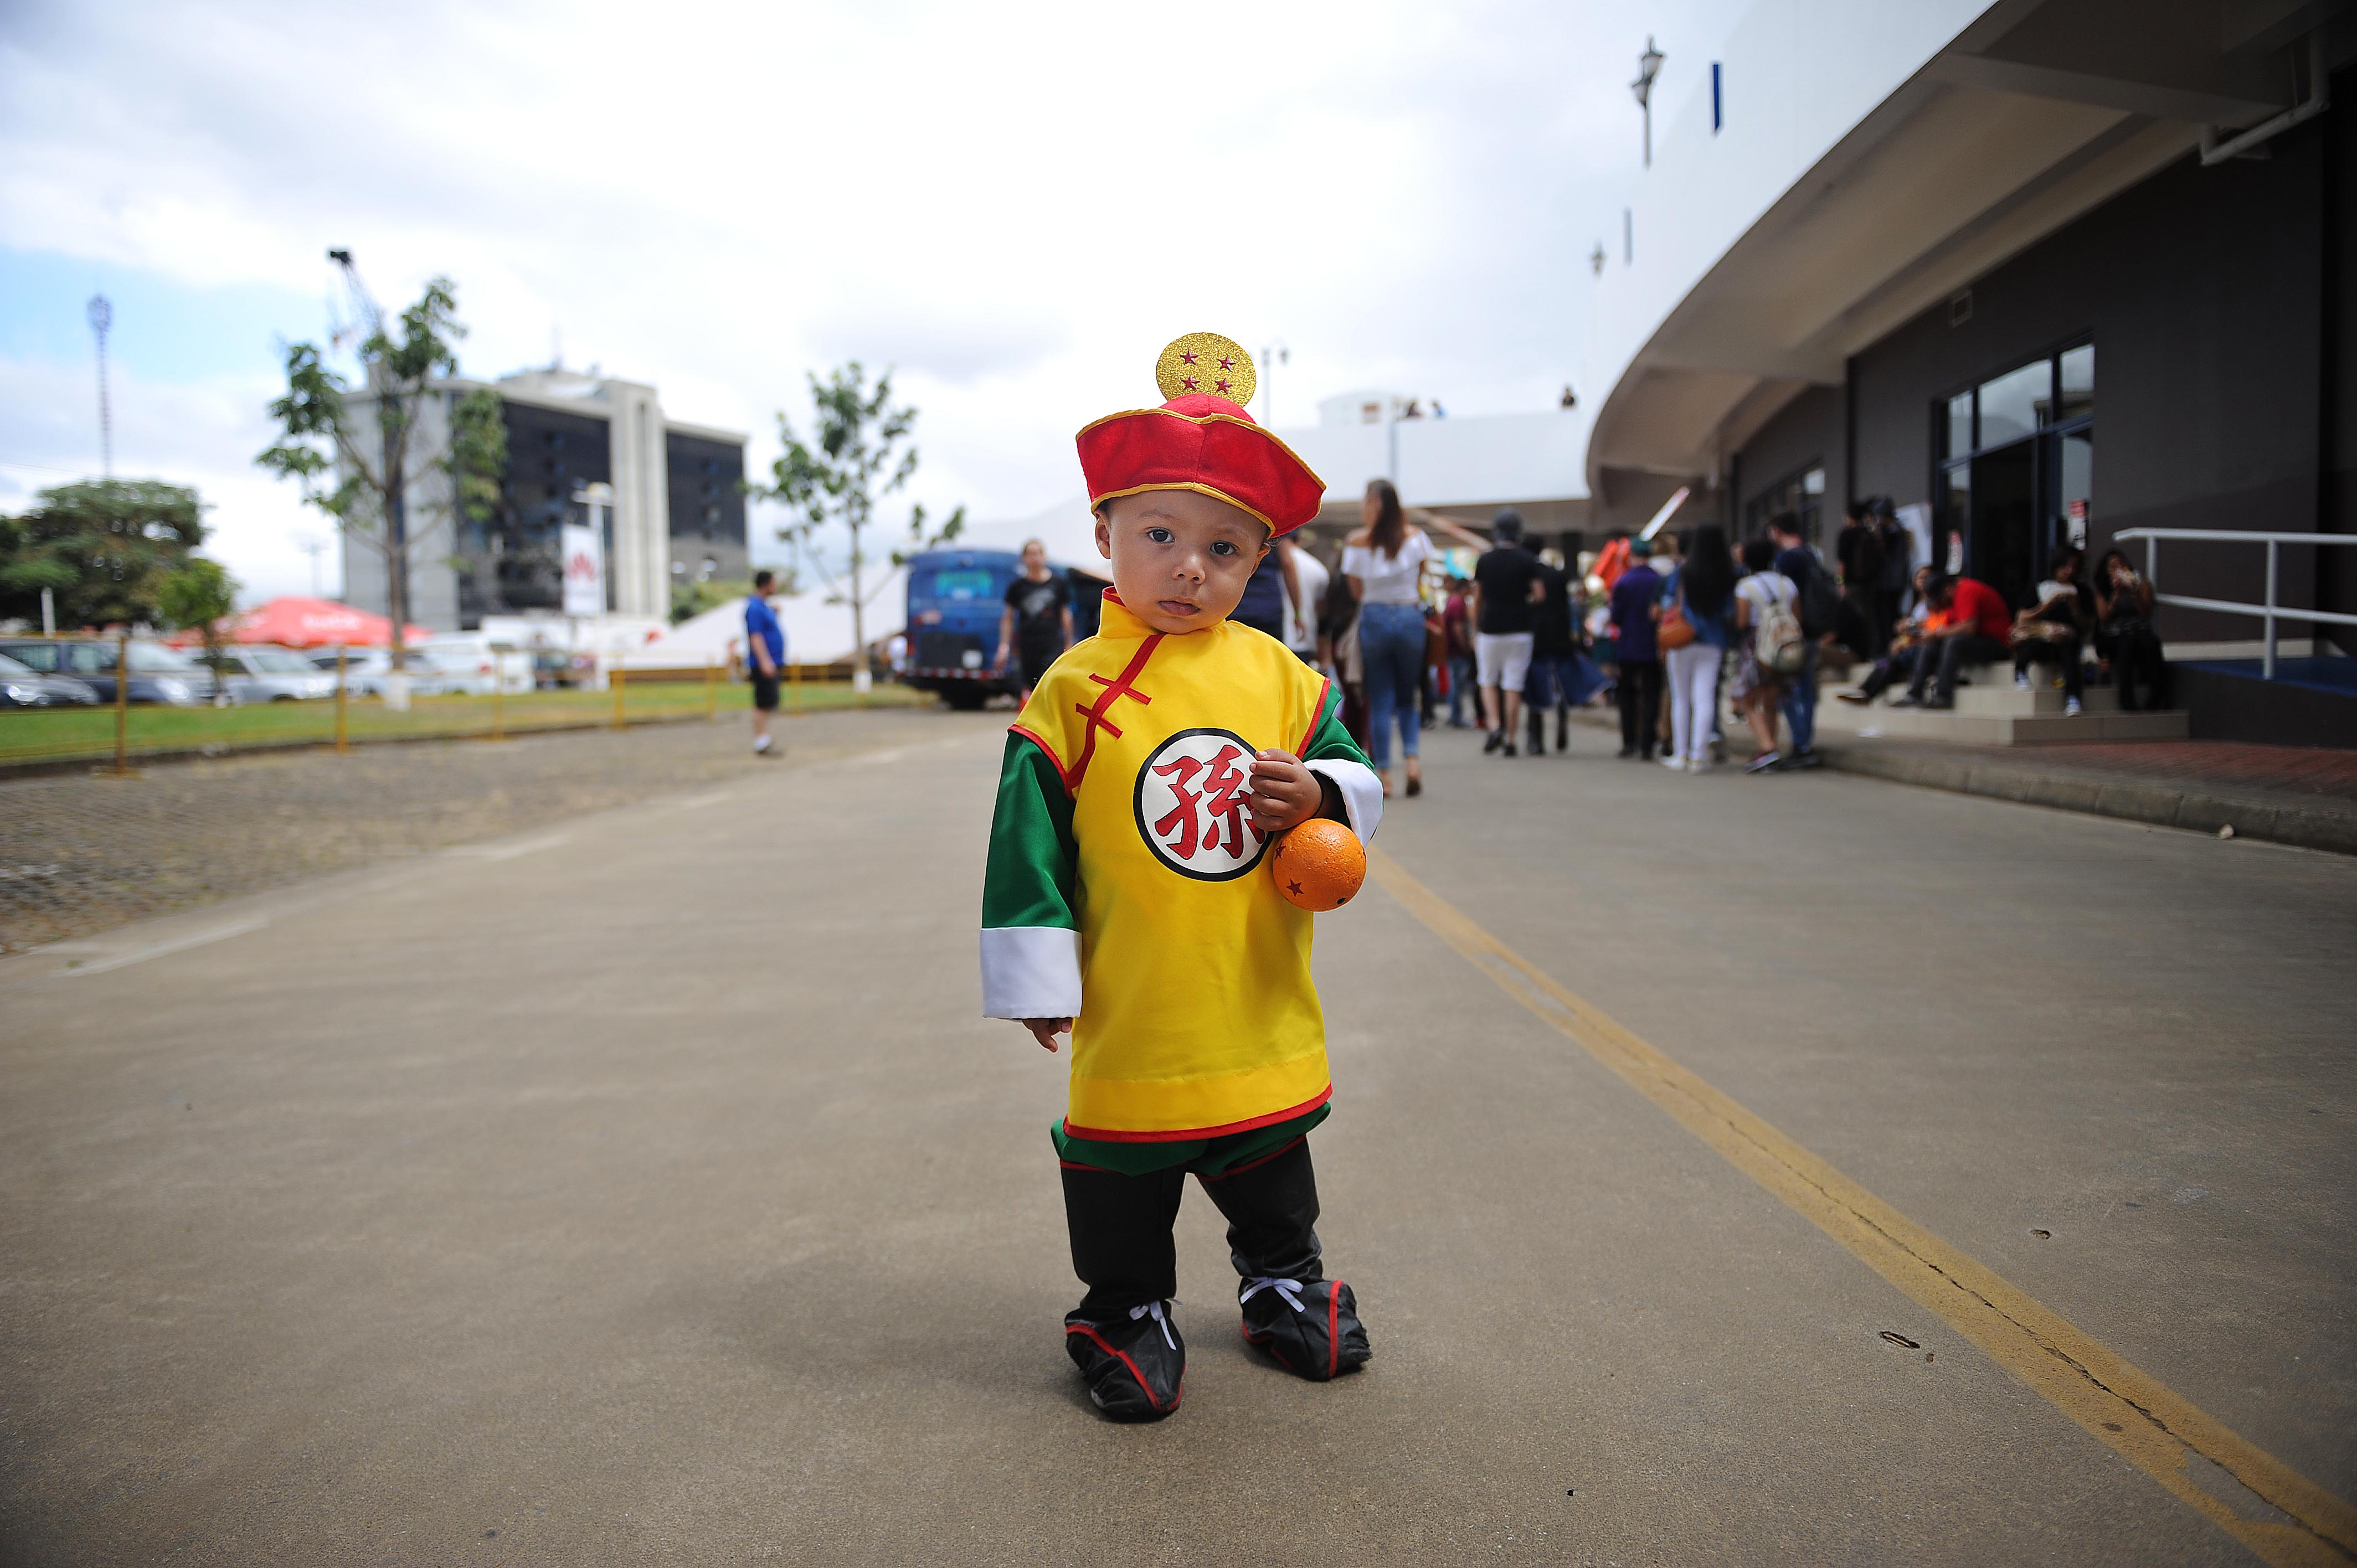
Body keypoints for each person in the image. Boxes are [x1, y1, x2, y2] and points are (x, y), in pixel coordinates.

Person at [980, 336, 1380, 1423]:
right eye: (1158, 535)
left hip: (1252, 986)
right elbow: (1026, 845)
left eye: (1223, 547)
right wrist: (1037, 977)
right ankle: (1122, 1309)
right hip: (1134, 999)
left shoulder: (1281, 679)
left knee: (1268, 1149)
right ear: (1105, 534)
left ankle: (1281, 1279)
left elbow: (1350, 765)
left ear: (1257, 564)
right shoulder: (1073, 691)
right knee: (1123, 1170)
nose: (1188, 567)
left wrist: (1322, 797)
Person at [1341, 478, 1437, 798]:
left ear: (1374, 504)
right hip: (1410, 617)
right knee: (1408, 697)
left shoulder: (1356, 542)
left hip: (1375, 618)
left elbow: (1356, 592)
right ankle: (1412, 762)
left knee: (1380, 698)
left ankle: (1384, 775)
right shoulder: (1417, 538)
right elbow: (1422, 578)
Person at [1660, 524, 1736, 772]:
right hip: (1713, 641)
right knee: (1705, 698)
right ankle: (1698, 756)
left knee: (1681, 698)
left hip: (1682, 639)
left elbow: (1668, 602)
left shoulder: (1683, 571)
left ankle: (1681, 754)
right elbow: (1730, 611)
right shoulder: (1728, 573)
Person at [1471, 509, 1547, 756]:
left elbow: (1478, 597)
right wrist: (1523, 600)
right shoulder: (1528, 560)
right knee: (1513, 685)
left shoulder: (1485, 560)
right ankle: (1512, 738)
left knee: (1487, 680)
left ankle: (1494, 725)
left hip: (1490, 628)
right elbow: (1539, 595)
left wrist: (1474, 628)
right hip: (1520, 630)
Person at [1888, 572, 2013, 708]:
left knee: (1953, 643)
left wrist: (1935, 634)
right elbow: (1944, 629)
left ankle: (1943, 696)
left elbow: (1969, 628)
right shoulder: (1950, 601)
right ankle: (1914, 693)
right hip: (1977, 641)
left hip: (1998, 645)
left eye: (1939, 599)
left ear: (1947, 589)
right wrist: (1918, 638)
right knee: (1932, 646)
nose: (1939, 605)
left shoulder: (1966, 590)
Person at [1768, 512, 1830, 770]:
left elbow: (1785, 597)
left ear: (1777, 531)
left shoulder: (1786, 559)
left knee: (1790, 688)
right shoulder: (1811, 555)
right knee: (1805, 688)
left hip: (1792, 632)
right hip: (1813, 629)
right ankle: (1805, 743)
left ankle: (1800, 742)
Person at [1732, 538, 1798, 772]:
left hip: (1756, 646)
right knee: (1771, 700)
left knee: (1748, 701)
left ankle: (1767, 747)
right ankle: (1772, 749)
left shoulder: (1746, 586)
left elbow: (1741, 621)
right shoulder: (1787, 584)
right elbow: (1797, 617)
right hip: (1784, 645)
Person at [993, 538, 1075, 705]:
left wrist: (1070, 643)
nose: (1035, 558)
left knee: (1050, 685)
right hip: (1027, 646)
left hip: (1052, 645)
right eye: (1030, 554)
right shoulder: (1017, 587)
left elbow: (1066, 616)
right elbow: (1007, 617)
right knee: (1031, 689)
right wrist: (1004, 646)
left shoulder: (1057, 584)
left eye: (1038, 553)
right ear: (1024, 558)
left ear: (1044, 556)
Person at [2012, 546, 2090, 716]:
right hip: (2041, 637)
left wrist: (2075, 609)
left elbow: (2087, 627)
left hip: (2067, 640)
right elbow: (2022, 617)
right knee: (2035, 645)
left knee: (2070, 654)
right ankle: (2020, 672)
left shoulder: (2081, 592)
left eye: (2074, 568)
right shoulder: (2041, 587)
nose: (2069, 572)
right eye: (2065, 566)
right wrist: (2046, 607)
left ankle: (2072, 698)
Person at [1608, 538, 1664, 760]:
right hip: (1652, 645)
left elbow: (1616, 617)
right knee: (1652, 694)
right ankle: (1648, 743)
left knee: (1626, 695)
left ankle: (1628, 741)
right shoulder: (1658, 580)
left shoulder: (1623, 582)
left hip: (1628, 645)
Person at [2094, 549, 2170, 711]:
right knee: (2125, 646)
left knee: (2152, 644)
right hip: (2114, 636)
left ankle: (2157, 697)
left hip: (2139, 632)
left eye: (2122, 564)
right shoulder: (2103, 590)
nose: (2119, 569)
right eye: (2113, 567)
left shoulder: (2142, 584)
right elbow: (2104, 618)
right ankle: (2127, 701)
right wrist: (2116, 596)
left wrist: (2134, 593)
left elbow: (2146, 613)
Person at [744, 570, 785, 757]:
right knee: (762, 703)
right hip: (764, 663)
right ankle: (761, 741)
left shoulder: (763, 606)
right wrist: (765, 661)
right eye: (774, 582)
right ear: (766, 584)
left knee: (768, 703)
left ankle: (764, 739)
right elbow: (756, 636)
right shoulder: (754, 607)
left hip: (771, 661)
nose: (776, 586)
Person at [1282, 535, 1329, 667]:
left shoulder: (1272, 563)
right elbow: (1321, 611)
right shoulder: (1317, 568)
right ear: (1300, 540)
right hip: (1306, 640)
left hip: (1276, 636)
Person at [1441, 577, 1475, 727]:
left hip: (1451, 650)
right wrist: (1466, 647)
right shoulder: (1458, 603)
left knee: (1455, 683)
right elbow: (1458, 628)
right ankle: (1456, 716)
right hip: (1457, 651)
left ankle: (1455, 715)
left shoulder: (1452, 601)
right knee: (1457, 684)